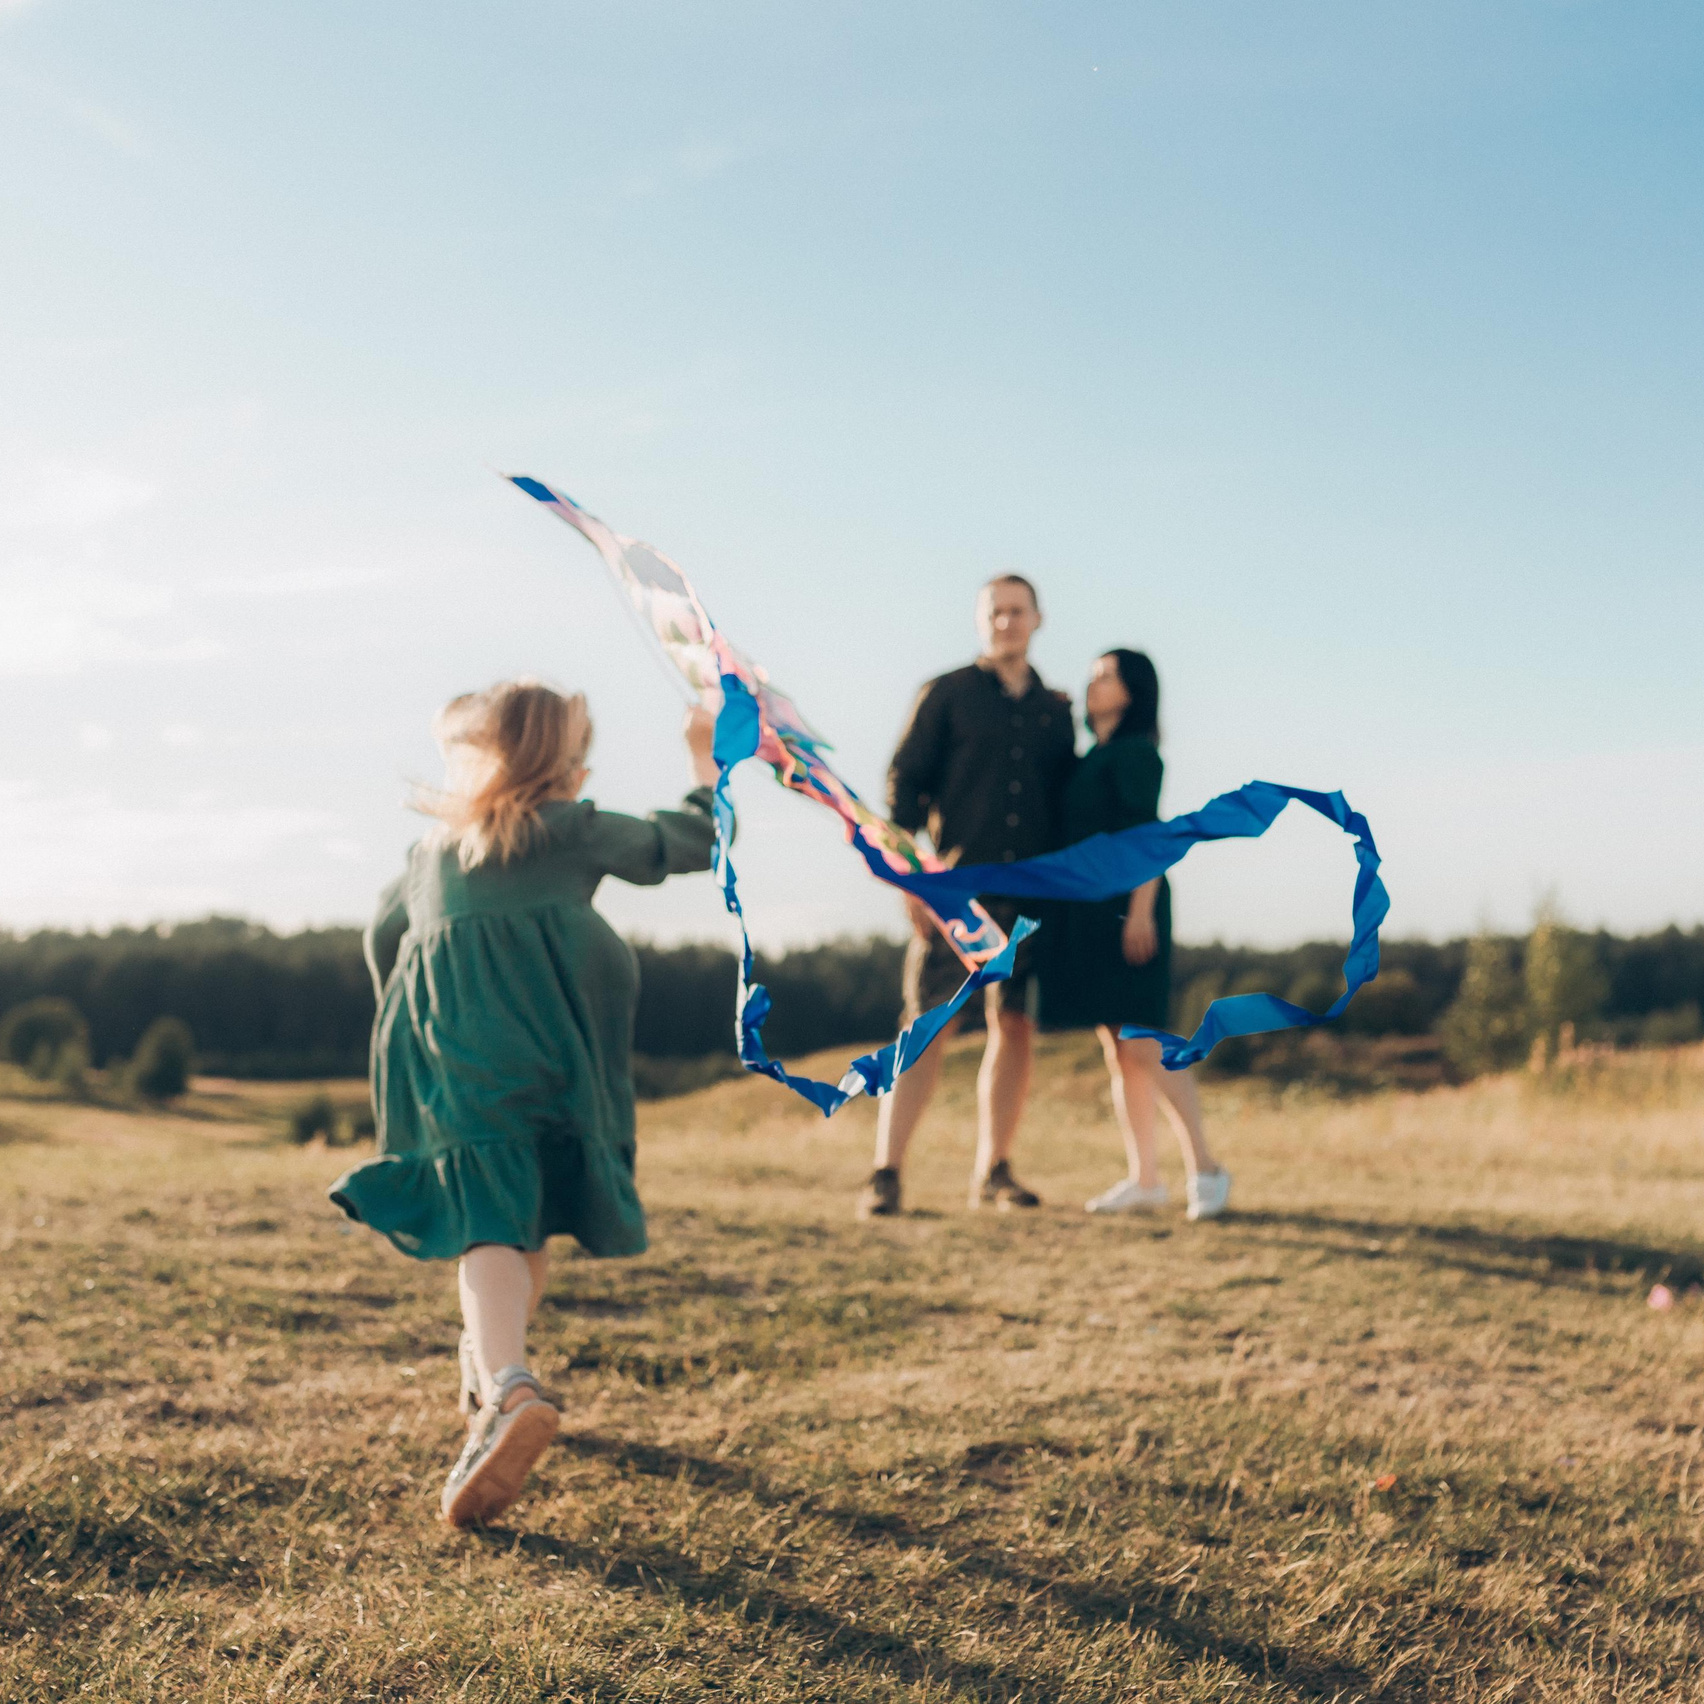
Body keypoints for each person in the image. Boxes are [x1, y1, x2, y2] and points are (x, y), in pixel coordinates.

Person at [329, 680, 722, 1526]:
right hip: (555, 1054)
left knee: (491, 1219)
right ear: (555, 765)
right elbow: (687, 843)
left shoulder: (432, 851)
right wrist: (704, 760)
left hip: (461, 1057)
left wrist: (415, 1019)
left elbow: (380, 940)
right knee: (523, 1215)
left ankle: (499, 1381)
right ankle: (496, 1381)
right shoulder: (566, 831)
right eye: (580, 748)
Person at [856, 574, 1077, 1218]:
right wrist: (912, 882)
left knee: (1015, 1026)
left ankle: (995, 1171)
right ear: (981, 621)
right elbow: (903, 786)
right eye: (995, 612)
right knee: (927, 1026)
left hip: (1032, 898)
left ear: (1039, 618)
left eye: (1018, 611)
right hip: (954, 892)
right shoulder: (947, 694)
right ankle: (885, 1172)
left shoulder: (1056, 711)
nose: (1007, 622)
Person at [1037, 650, 1230, 1220]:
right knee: (1119, 1050)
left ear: (1133, 690)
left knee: (1145, 1043)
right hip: (1091, 912)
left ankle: (1207, 1168)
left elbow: (1149, 837)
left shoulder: (1137, 754)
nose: (1093, 681)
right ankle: (1145, 1179)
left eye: (1106, 675)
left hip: (1130, 907)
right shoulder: (1093, 756)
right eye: (1093, 674)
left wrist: (1141, 910)